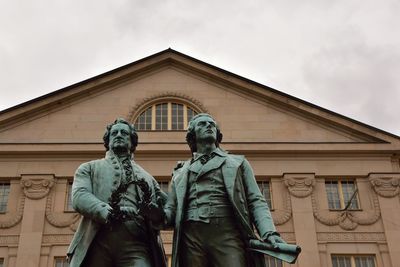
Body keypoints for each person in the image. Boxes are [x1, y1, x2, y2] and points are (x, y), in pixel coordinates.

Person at [164, 113, 285, 267]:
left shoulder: (237, 162)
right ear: (192, 136)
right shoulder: (180, 171)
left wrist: (269, 232)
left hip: (227, 234)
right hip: (191, 238)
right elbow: (170, 211)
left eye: (212, 124)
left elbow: (256, 200)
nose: (209, 126)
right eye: (202, 124)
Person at [67, 118, 166, 267]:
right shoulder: (89, 168)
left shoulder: (148, 178)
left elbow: (167, 213)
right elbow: (79, 196)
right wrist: (107, 212)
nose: (119, 135)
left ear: (132, 142)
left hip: (137, 244)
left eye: (124, 133)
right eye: (114, 133)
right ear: (108, 140)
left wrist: (155, 213)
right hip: (98, 240)